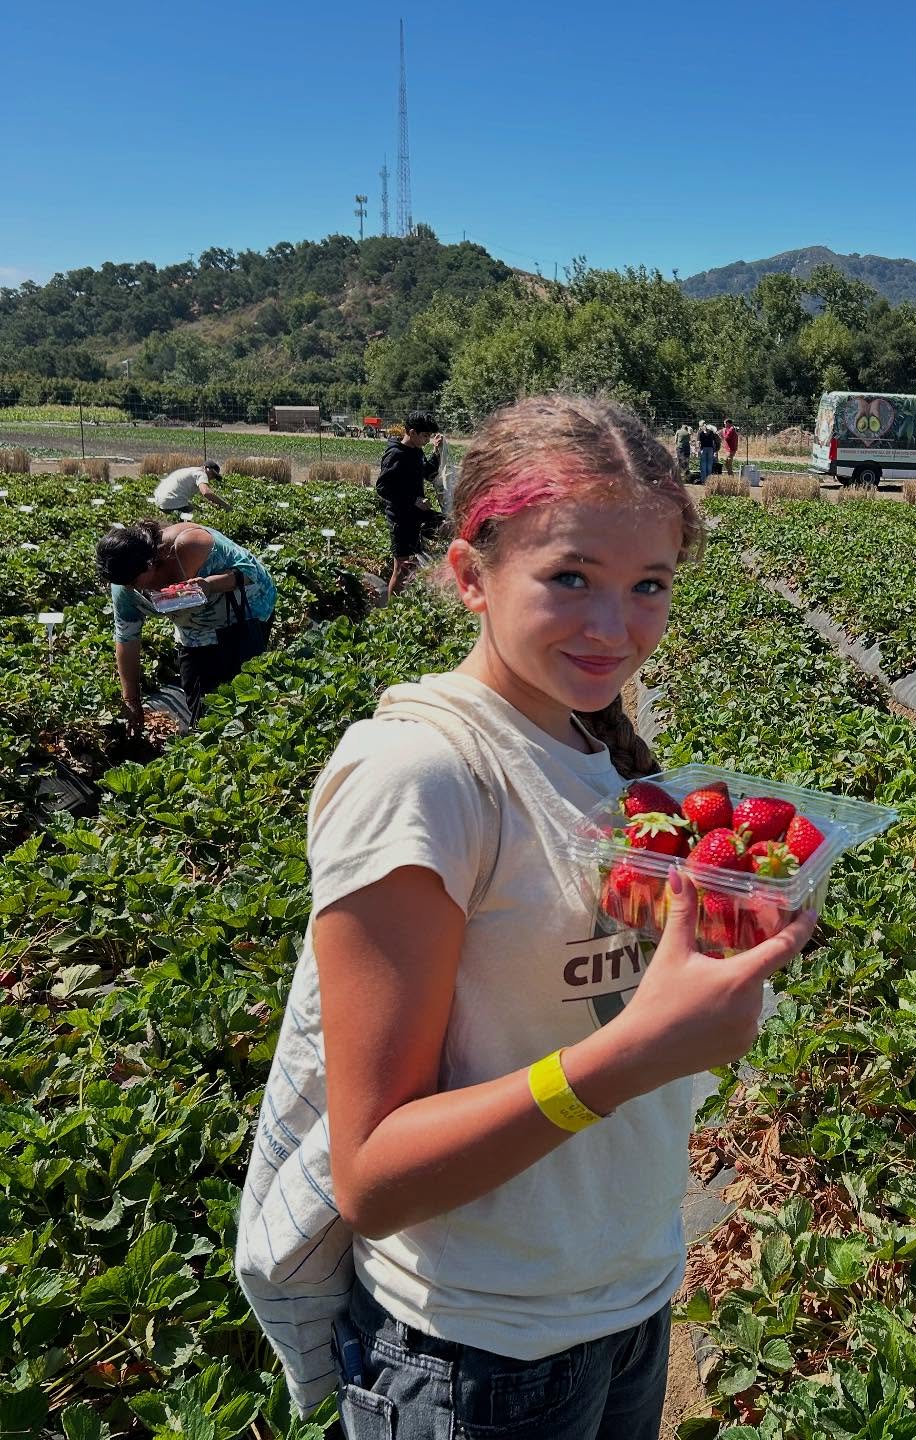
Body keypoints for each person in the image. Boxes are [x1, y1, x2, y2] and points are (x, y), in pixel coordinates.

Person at [238, 394, 816, 1438]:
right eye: (570, 578)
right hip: (477, 1349)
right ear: (471, 576)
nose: (615, 626)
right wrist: (635, 1054)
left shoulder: (594, 753)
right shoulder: (425, 775)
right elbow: (372, 1178)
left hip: (626, 1300)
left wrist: (721, 949)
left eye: (649, 585)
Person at [97, 519, 277, 731]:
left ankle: (247, 733)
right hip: (194, 628)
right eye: (125, 584)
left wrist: (209, 585)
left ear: (150, 562)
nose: (130, 588)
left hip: (245, 611)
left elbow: (250, 572)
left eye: (134, 582)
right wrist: (132, 700)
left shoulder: (189, 545)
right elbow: (127, 638)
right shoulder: (125, 584)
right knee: (200, 702)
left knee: (243, 689)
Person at [376, 409, 447, 601]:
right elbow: (383, 488)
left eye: (429, 436)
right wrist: (413, 500)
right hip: (401, 518)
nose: (427, 439)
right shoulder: (395, 454)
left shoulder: (416, 451)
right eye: (425, 436)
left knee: (449, 525)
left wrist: (436, 452)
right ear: (413, 432)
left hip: (417, 514)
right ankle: (391, 610)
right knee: (401, 568)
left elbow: (426, 472)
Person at [152, 459, 229, 513]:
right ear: (206, 468)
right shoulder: (201, 474)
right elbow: (206, 493)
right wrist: (225, 505)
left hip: (159, 500)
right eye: (212, 474)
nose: (212, 477)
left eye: (214, 477)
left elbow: (203, 496)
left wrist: (214, 505)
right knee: (198, 516)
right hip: (171, 502)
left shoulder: (192, 471)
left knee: (196, 509)